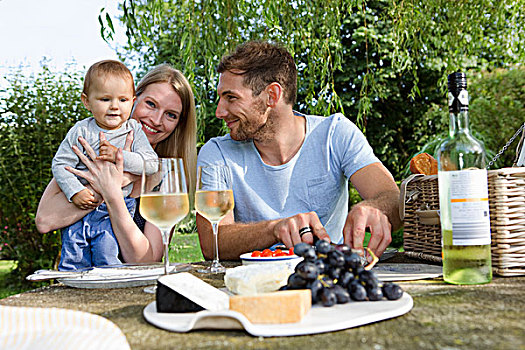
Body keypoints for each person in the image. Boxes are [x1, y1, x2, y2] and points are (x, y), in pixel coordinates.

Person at [196, 41, 401, 261]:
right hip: (254, 282)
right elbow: (212, 243)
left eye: (231, 98)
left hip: (327, 279)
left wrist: (372, 208)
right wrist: (276, 229)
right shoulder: (216, 153)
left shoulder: (335, 133)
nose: (219, 111)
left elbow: (392, 198)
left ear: (271, 96)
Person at [35, 64, 197, 265]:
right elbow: (45, 221)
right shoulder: (90, 147)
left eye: (171, 114)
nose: (156, 120)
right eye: (151, 104)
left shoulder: (168, 177)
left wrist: (112, 192)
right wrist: (104, 184)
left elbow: (148, 261)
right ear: (133, 100)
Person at [52, 60, 158, 270]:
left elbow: (151, 163)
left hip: (114, 211)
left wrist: (120, 155)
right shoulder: (80, 131)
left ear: (133, 102)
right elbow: (60, 164)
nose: (114, 106)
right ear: (87, 101)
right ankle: (72, 293)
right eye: (105, 99)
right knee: (73, 258)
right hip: (80, 209)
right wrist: (75, 191)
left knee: (108, 257)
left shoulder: (133, 130)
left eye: (123, 99)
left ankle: (108, 293)